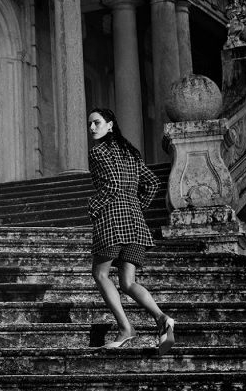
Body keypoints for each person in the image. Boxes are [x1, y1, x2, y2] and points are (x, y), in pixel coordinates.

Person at [87, 107, 175, 355]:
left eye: (97, 122)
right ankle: (161, 318)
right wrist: (136, 205)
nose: (92, 128)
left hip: (112, 220)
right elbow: (152, 183)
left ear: (110, 125)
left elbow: (112, 185)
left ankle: (126, 329)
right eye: (90, 124)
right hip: (135, 222)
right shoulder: (131, 153)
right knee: (128, 282)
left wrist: (93, 206)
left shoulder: (98, 152)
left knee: (101, 274)